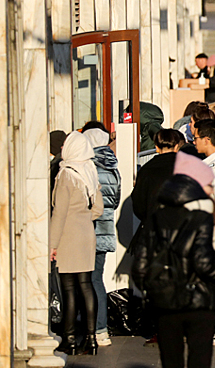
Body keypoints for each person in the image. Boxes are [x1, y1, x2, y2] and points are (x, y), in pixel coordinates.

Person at [132, 153, 215, 368]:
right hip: (200, 301)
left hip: (165, 302)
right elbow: (204, 263)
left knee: (170, 360)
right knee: (199, 358)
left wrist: (155, 288)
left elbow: (140, 268)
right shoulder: (204, 217)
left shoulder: (155, 218)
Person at [50, 132, 104, 355]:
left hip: (68, 236)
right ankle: (91, 339)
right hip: (86, 235)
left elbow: (59, 213)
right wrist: (83, 218)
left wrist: (51, 245)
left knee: (69, 288)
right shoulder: (90, 171)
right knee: (86, 284)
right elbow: (98, 209)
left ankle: (69, 338)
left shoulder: (66, 174)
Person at [82, 126, 121, 345]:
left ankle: (95, 327)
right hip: (106, 229)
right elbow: (115, 199)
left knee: (88, 279)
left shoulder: (89, 165)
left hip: (89, 228)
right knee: (98, 278)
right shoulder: (113, 166)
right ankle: (101, 329)